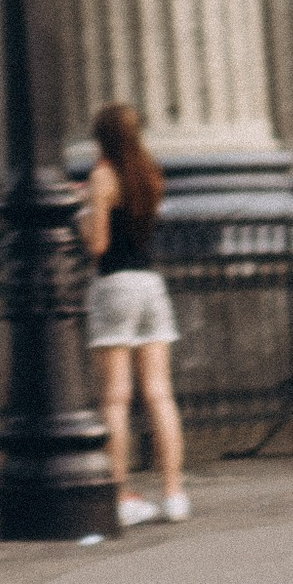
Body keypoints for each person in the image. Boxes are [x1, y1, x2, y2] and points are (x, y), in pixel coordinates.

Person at [80, 101, 187, 525]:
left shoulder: (102, 175)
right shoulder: (150, 172)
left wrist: (86, 213)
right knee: (160, 394)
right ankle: (175, 493)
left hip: (115, 286)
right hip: (151, 284)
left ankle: (121, 494)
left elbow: (98, 244)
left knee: (116, 398)